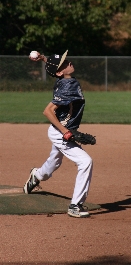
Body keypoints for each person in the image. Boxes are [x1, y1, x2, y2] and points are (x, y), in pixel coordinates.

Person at [23, 50, 93, 218]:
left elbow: (56, 69)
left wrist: (44, 59)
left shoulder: (63, 78)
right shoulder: (67, 85)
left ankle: (37, 175)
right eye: (64, 63)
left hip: (61, 130)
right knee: (86, 162)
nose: (69, 62)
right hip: (60, 132)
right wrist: (66, 132)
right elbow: (47, 111)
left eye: (66, 60)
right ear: (60, 72)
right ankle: (75, 205)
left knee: (54, 161)